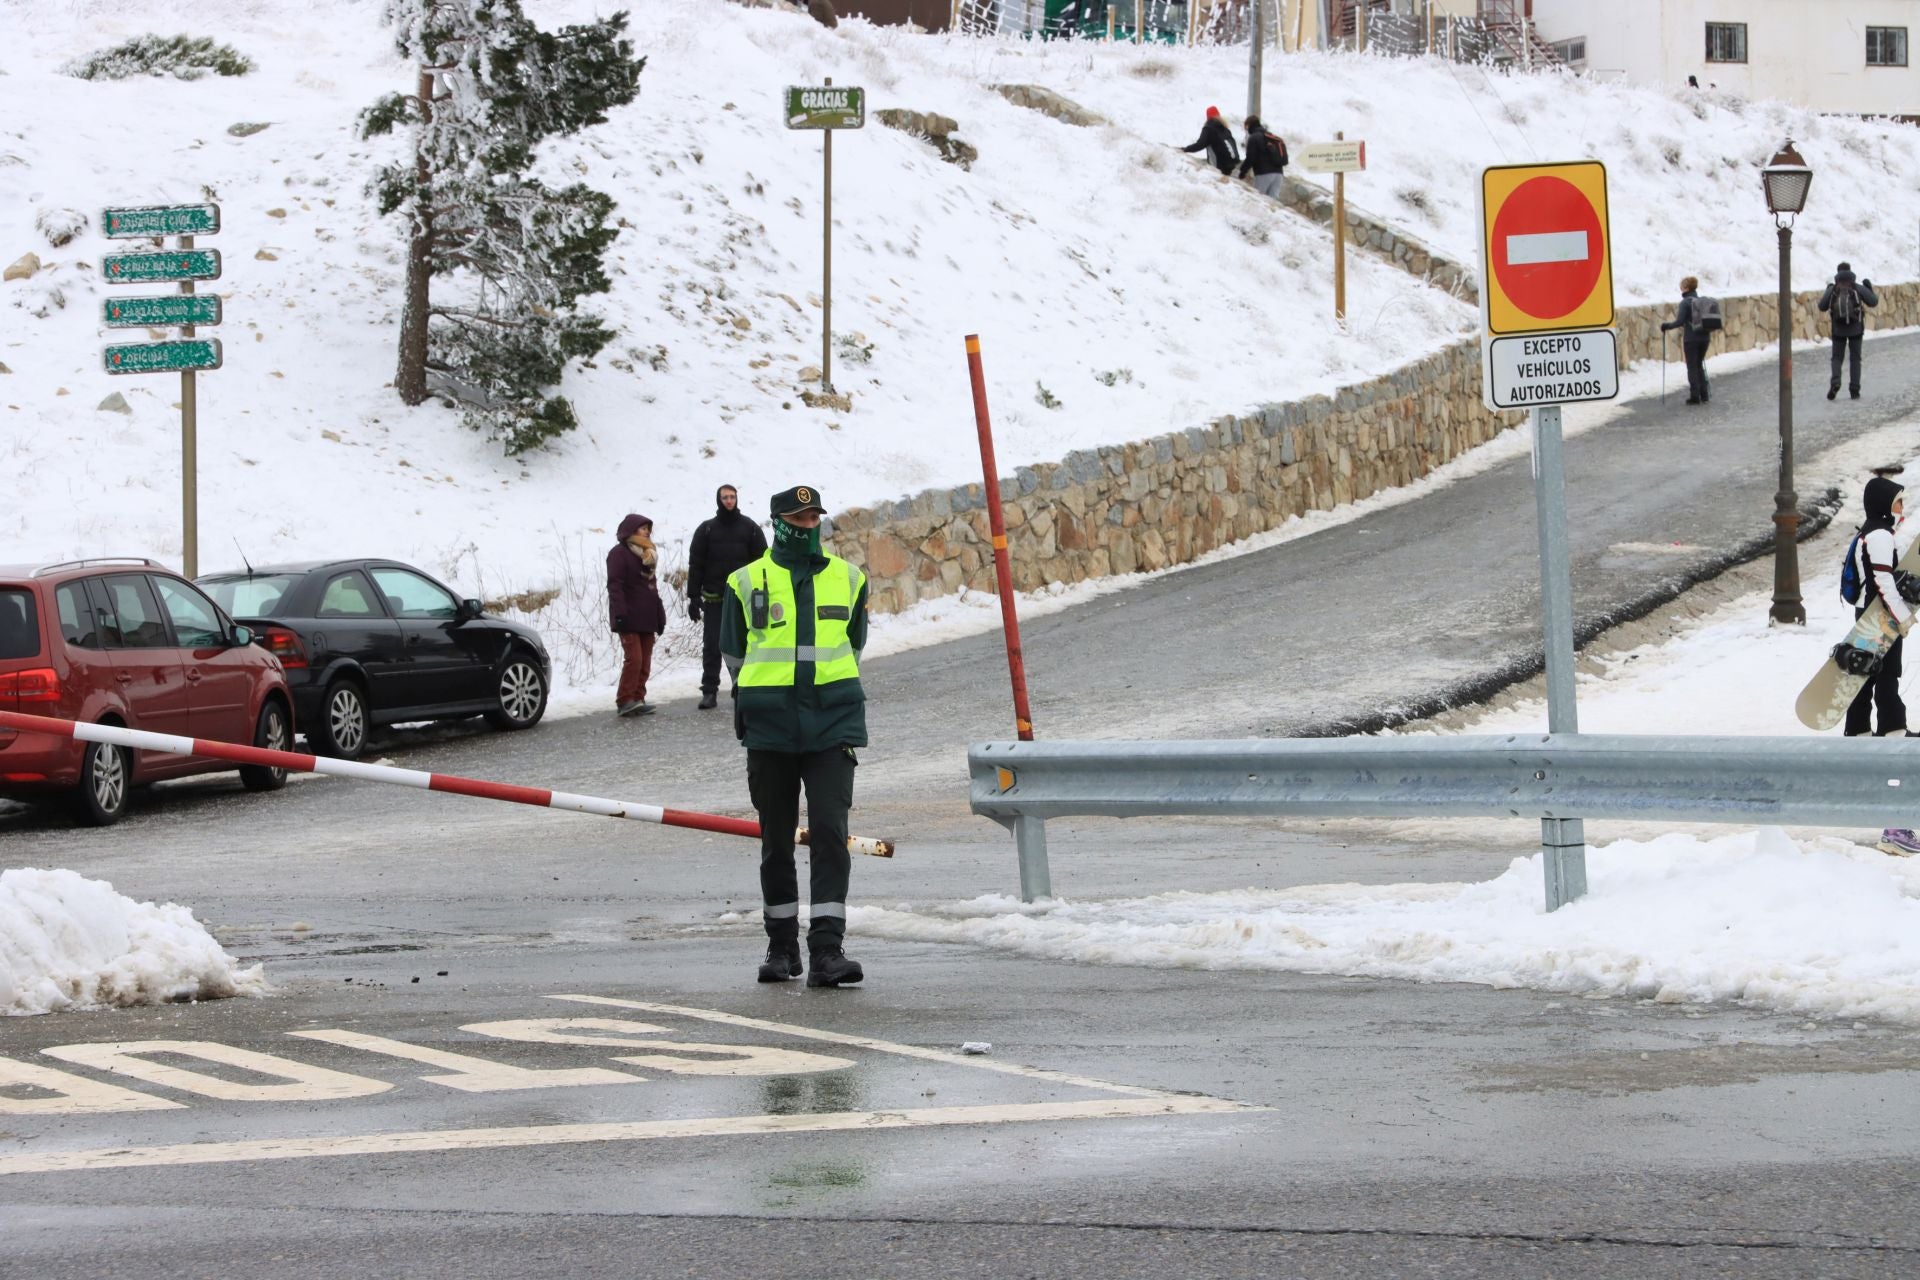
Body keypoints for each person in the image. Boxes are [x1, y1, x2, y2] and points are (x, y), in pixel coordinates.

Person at [722, 485, 870, 987]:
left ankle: (828, 949)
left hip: (832, 724)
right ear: (778, 522)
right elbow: (735, 656)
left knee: (830, 831)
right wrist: (758, 699)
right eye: (799, 519)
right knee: (776, 840)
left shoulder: (850, 579)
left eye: (814, 519)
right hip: (770, 727)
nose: (808, 527)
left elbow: (854, 643)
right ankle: (781, 946)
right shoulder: (745, 581)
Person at [686, 484, 767, 711]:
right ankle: (709, 691)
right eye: (725, 497)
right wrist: (693, 597)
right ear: (718, 500)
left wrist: (763, 595)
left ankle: (744, 687)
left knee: (747, 645)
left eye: (732, 497)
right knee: (712, 645)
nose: (729, 501)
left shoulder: (750, 528)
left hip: (746, 599)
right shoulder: (706, 530)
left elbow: (763, 564)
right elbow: (696, 564)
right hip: (716, 599)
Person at [606, 513, 666, 717]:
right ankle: (625, 700)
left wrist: (660, 613)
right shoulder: (619, 554)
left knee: (645, 660)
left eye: (648, 528)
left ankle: (638, 698)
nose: (647, 532)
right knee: (635, 659)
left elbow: (652, 587)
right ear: (631, 530)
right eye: (643, 528)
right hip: (629, 616)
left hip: (647, 616)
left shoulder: (648, 554)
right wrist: (620, 613)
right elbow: (615, 585)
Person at [1818, 262, 1879, 401]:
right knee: (1855, 359)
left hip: (1838, 330)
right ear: (1850, 272)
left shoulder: (1833, 289)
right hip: (1856, 330)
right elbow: (1873, 302)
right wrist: (1869, 287)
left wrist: (1828, 290)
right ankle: (1854, 389)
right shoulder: (1857, 287)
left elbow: (1822, 306)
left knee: (1837, 358)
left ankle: (1835, 382)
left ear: (1837, 274)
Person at [1658, 276, 1712, 405]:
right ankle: (1704, 395)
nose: (1680, 289)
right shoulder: (1701, 301)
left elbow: (1680, 322)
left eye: (1681, 286)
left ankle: (1695, 396)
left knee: (1692, 366)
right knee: (1699, 364)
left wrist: (1667, 326)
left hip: (1691, 339)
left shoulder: (1685, 303)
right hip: (1705, 337)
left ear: (1686, 288)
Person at [1236, 115, 1288, 200]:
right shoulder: (1270, 136)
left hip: (1264, 174)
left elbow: (1250, 158)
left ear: (1249, 125)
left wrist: (1242, 172)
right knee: (1272, 203)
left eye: (1245, 128)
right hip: (1279, 174)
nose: (1246, 131)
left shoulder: (1254, 138)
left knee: (1258, 200)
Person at [1178, 105, 1239, 176]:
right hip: (1233, 164)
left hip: (1220, 167)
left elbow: (1200, 145)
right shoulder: (1226, 129)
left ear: (1208, 117)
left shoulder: (1209, 129)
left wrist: (1185, 149)